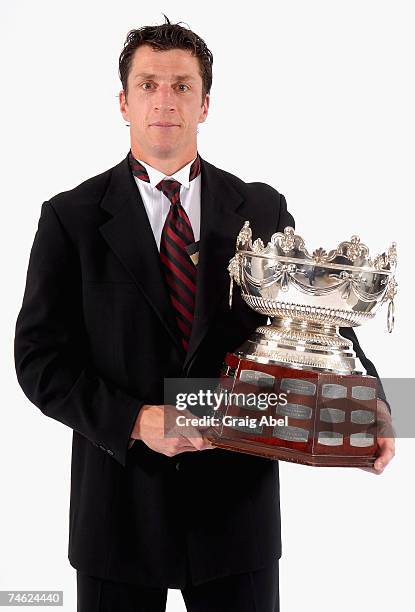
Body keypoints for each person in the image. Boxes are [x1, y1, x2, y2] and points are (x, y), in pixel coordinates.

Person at [14, 16, 394, 612]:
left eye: (182, 86)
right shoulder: (70, 217)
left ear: (206, 103)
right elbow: (38, 360)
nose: (165, 100)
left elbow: (319, 323)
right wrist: (137, 420)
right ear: (123, 101)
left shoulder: (262, 207)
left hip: (235, 514)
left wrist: (371, 403)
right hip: (118, 513)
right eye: (148, 85)